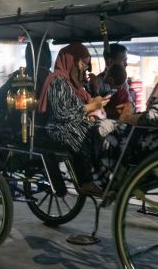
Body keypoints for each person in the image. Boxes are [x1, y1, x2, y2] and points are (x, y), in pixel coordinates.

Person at [89, 38, 158, 190]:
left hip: (156, 139)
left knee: (101, 127)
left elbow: (154, 118)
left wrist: (128, 118)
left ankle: (104, 182)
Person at [37, 42, 109, 191]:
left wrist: (94, 104)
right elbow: (63, 113)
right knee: (88, 132)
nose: (84, 68)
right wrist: (91, 107)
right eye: (83, 64)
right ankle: (88, 181)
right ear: (71, 61)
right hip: (58, 127)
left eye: (86, 65)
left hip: (72, 122)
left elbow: (79, 108)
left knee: (102, 129)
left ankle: (103, 176)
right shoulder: (57, 81)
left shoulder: (73, 84)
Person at [89, 43, 134, 120]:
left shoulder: (123, 82)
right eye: (124, 61)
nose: (126, 64)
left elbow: (128, 103)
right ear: (110, 62)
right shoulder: (95, 83)